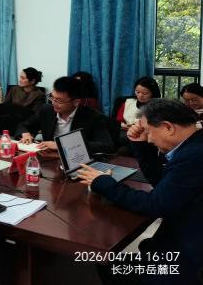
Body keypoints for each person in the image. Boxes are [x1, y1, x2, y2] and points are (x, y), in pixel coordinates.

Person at [78, 100, 203, 285]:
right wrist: (141, 145)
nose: (149, 139)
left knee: (99, 263)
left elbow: (155, 205)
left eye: (148, 131)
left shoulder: (194, 156)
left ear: (168, 127)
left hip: (186, 259)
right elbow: (162, 184)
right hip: (177, 243)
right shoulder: (194, 144)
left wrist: (103, 183)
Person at [16, 76, 114, 154]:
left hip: (76, 161)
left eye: (59, 100)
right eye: (52, 97)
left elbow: (106, 146)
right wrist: (25, 133)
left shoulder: (92, 117)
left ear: (76, 102)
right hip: (48, 157)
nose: (53, 103)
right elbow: (23, 125)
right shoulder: (47, 110)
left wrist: (61, 145)